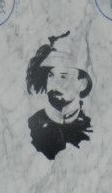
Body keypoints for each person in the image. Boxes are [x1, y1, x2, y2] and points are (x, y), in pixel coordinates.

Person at [26, 31, 93, 160]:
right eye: (51, 76)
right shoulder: (32, 126)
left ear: (82, 84)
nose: (55, 84)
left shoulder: (91, 127)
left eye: (63, 76)